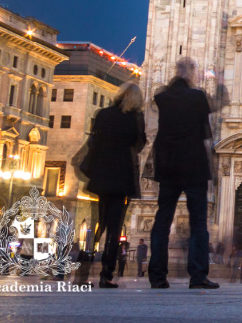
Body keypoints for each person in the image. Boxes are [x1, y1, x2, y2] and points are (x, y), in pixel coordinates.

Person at [148, 58, 220, 289]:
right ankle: (197, 276)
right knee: (199, 223)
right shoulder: (197, 97)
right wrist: (216, 80)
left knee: (162, 219)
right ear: (191, 74)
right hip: (193, 165)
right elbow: (217, 103)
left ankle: (157, 276)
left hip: (167, 163)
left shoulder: (162, 98)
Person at [81, 81, 147, 289]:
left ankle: (83, 271)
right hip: (122, 177)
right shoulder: (135, 118)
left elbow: (93, 141)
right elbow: (140, 144)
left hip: (101, 175)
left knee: (98, 225)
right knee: (114, 228)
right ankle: (105, 274)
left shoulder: (103, 114)